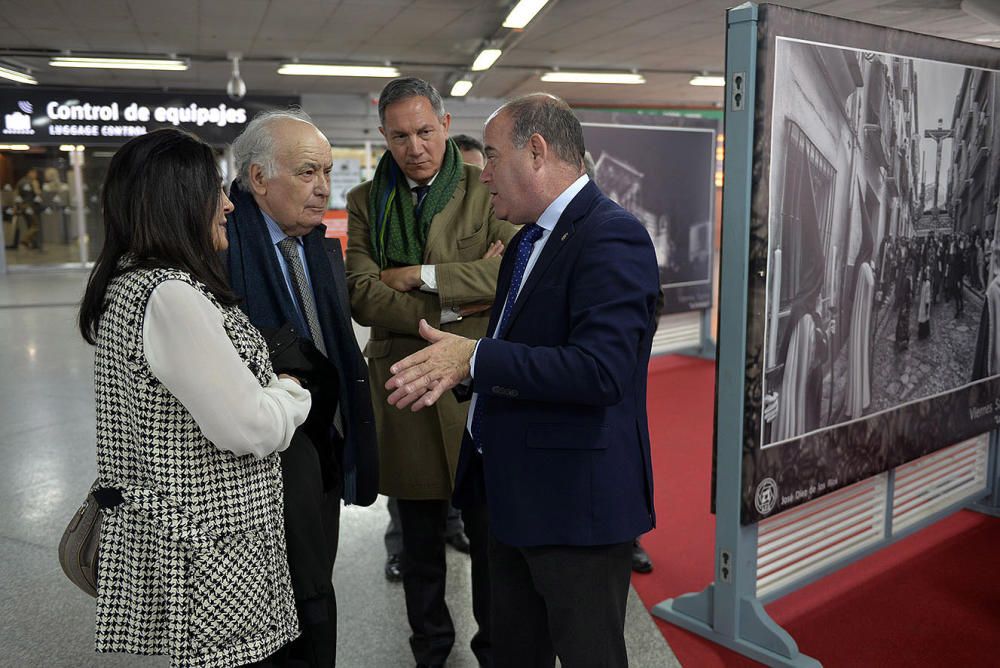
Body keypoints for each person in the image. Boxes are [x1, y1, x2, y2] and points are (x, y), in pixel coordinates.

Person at [383, 93, 660, 667]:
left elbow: (602, 370)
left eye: (490, 156)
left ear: (536, 152)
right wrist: (462, 367)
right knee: (511, 651)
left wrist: (473, 359)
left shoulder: (611, 236)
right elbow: (519, 349)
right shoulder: (524, 242)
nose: (482, 176)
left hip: (573, 506)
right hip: (509, 496)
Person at [79, 129, 309, 667]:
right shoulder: (170, 295)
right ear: (177, 199)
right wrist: (289, 394)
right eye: (214, 189)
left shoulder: (128, 283)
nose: (228, 204)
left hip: (192, 540)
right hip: (212, 550)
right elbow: (248, 427)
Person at [345, 76, 517, 667]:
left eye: (424, 131)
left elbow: (508, 275)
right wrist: (455, 299)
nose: (414, 147)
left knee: (491, 538)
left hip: (473, 384)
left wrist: (419, 275)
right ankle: (430, 649)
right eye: (399, 135)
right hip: (404, 386)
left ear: (444, 125)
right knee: (419, 543)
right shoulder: (368, 202)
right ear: (384, 137)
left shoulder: (485, 185)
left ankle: (494, 648)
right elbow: (362, 297)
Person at [224, 109, 380, 667]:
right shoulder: (221, 247)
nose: (323, 189)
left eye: (327, 173)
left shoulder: (315, 244)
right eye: (308, 172)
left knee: (315, 587)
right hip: (262, 464)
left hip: (322, 447)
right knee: (280, 605)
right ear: (259, 179)